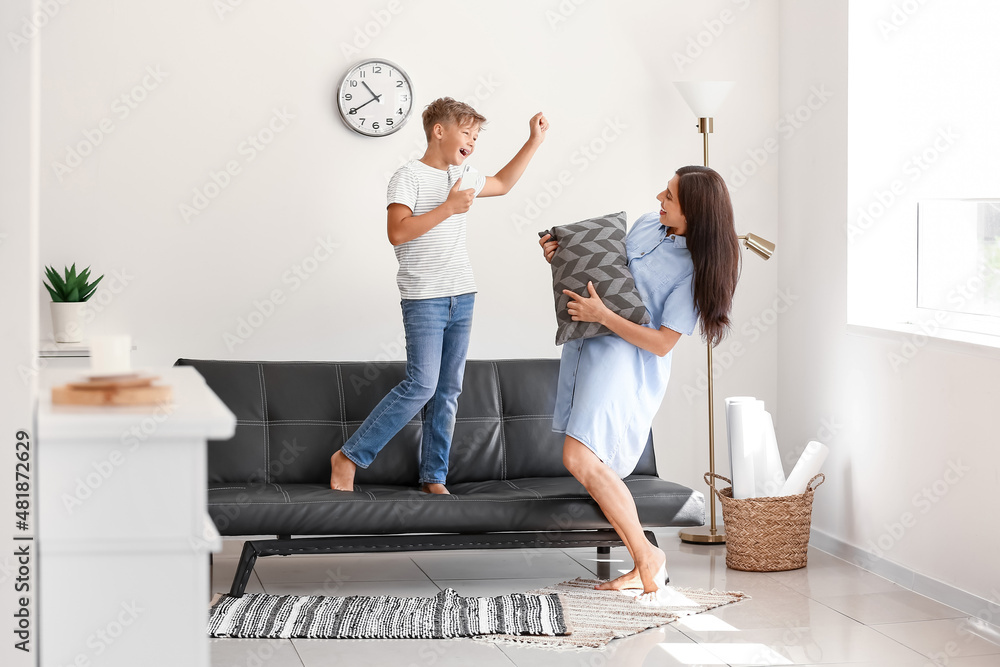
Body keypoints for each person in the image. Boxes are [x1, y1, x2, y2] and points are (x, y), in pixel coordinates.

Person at [538, 165, 739, 603]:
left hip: (626, 368)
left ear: (696, 212)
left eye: (669, 195)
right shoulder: (648, 225)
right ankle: (644, 561)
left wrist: (604, 317)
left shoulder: (693, 272)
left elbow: (663, 343)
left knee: (580, 457)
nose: (658, 198)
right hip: (588, 350)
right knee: (588, 460)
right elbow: (608, 273)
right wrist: (563, 258)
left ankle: (648, 558)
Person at [331, 97, 549, 494]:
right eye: (467, 132)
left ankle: (434, 475)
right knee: (421, 385)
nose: (473, 141)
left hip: (462, 294)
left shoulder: (464, 174)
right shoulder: (408, 176)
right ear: (439, 131)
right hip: (424, 298)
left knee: (448, 390)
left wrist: (532, 142)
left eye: (477, 135)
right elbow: (397, 232)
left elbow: (501, 184)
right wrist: (448, 208)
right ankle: (349, 457)